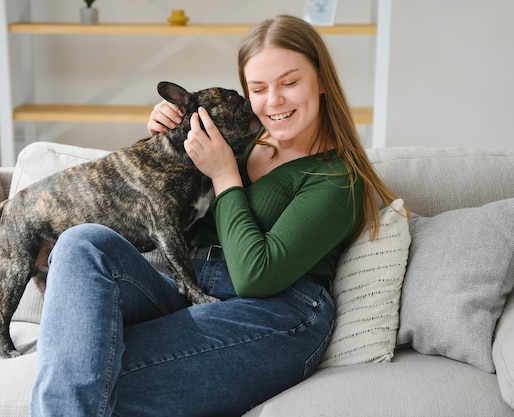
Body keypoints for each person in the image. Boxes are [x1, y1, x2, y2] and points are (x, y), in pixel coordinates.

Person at [30, 14, 402, 417]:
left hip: (277, 312)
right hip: (187, 287)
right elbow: (162, 207)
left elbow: (255, 276)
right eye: (257, 89)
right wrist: (168, 140)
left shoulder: (336, 178)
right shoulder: (239, 142)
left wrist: (225, 175)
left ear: (322, 80)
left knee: (94, 379)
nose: (273, 101)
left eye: (290, 83)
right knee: (81, 243)